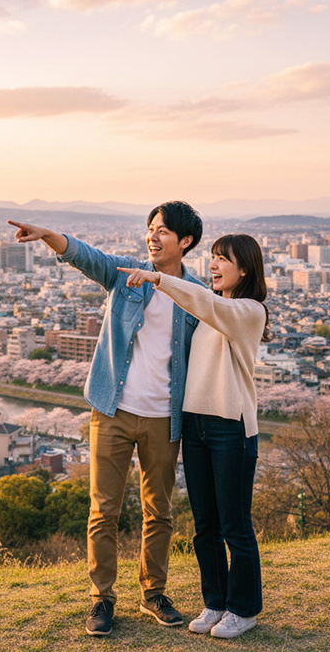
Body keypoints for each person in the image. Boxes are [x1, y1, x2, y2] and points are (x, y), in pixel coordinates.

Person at [8, 202, 206, 637]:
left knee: (160, 511)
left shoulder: (195, 295)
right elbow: (85, 256)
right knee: (104, 509)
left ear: (186, 242)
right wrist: (46, 234)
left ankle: (153, 592)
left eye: (163, 232)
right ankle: (102, 598)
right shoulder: (125, 274)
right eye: (150, 229)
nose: (152, 237)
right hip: (113, 409)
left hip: (164, 417)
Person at [117, 233, 270, 639]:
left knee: (235, 525)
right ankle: (215, 602)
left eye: (224, 260)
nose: (214, 265)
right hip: (196, 426)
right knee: (205, 525)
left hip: (231, 427)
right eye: (214, 257)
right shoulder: (211, 308)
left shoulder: (250, 311)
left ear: (245, 269)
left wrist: (158, 280)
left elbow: (207, 302)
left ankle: (244, 609)